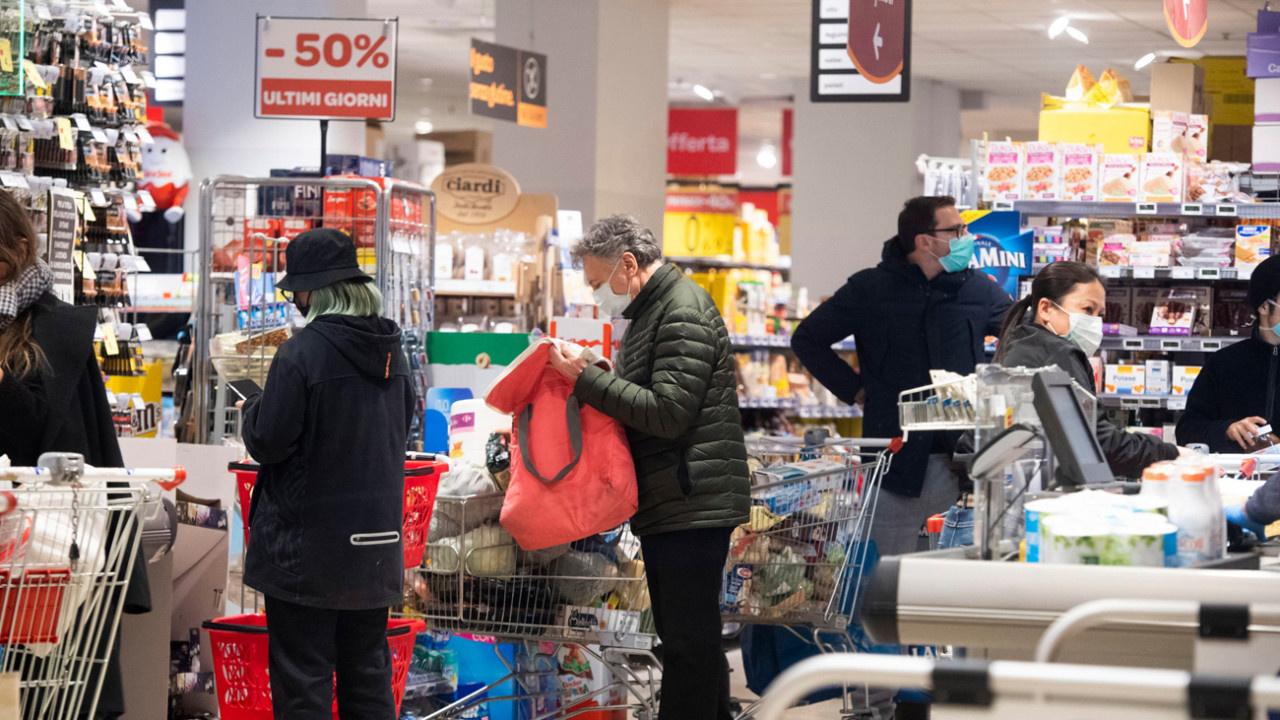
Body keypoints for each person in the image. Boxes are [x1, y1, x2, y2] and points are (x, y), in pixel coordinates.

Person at [548, 214, 750, 720]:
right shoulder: (653, 313)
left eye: (597, 283)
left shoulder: (680, 309)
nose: (596, 296)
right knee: (688, 638)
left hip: (691, 497)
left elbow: (667, 412)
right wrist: (602, 373)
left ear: (629, 265)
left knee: (686, 642)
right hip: (676, 498)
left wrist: (587, 382)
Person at [240, 228, 416, 720]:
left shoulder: (301, 354)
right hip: (376, 549)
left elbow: (270, 442)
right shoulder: (392, 352)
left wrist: (253, 406)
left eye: (297, 290)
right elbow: (402, 427)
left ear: (313, 291)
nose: (295, 300)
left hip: (308, 551)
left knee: (303, 685)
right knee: (369, 679)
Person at [791, 195, 1013, 557]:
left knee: (958, 577)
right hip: (892, 461)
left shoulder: (979, 290)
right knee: (884, 575)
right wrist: (857, 390)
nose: (966, 236)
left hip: (963, 459)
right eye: (956, 230)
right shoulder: (870, 289)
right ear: (924, 241)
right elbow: (807, 339)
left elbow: (1020, 333)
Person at [0, 189, 150, 720]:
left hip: (36, 549)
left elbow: (42, 435)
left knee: (38, 689)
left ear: (16, 248)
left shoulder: (55, 329)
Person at [995, 261, 1184, 478]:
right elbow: (1098, 444)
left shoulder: (1023, 342)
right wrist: (1170, 453)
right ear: (1046, 309)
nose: (1094, 322)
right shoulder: (1058, 354)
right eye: (1087, 309)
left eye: (1099, 314)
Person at [1178, 255, 1280, 453]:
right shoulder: (1224, 363)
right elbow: (1187, 430)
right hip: (1234, 480)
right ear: (1264, 306)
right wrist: (1227, 430)